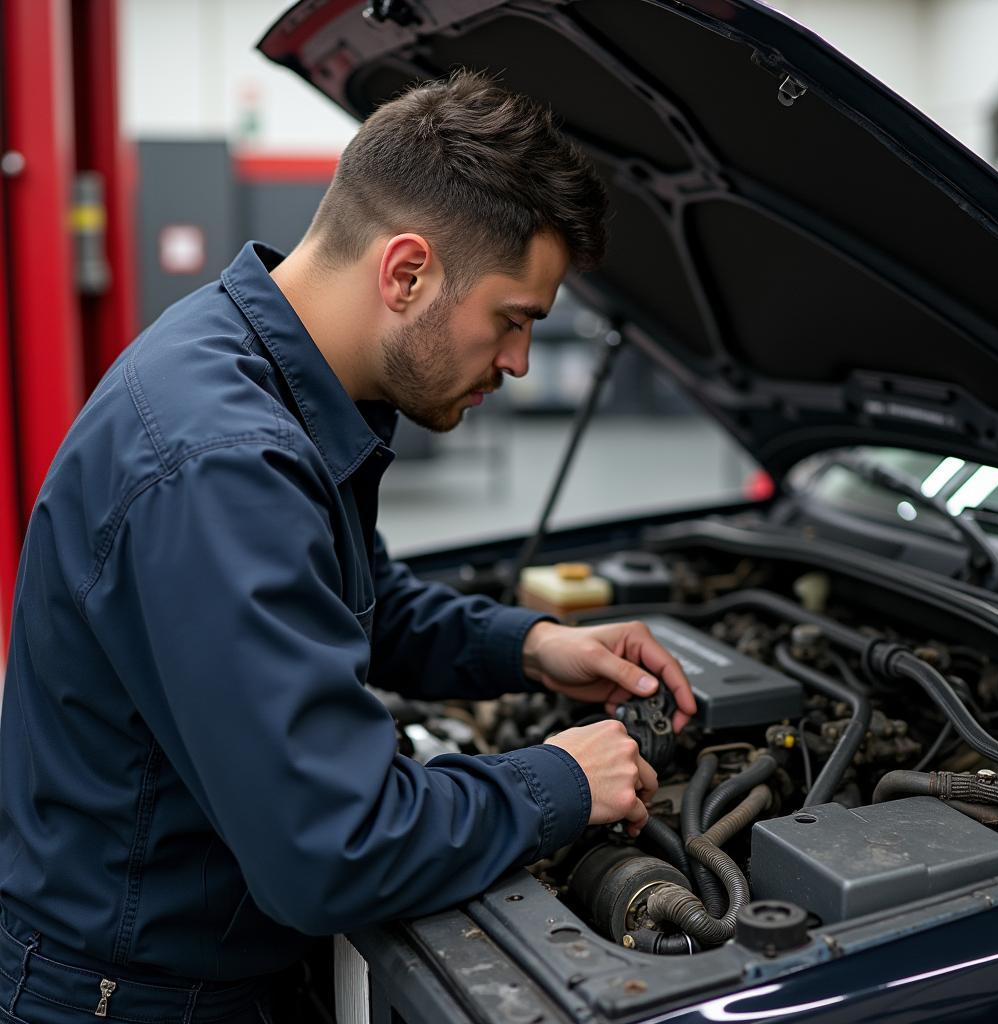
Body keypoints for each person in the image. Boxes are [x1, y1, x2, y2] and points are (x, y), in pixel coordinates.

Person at [0, 72, 695, 1023]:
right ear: (406, 272)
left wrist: (530, 647)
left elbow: (346, 594)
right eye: (514, 318)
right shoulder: (224, 460)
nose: (520, 361)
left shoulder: (256, 367)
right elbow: (335, 849)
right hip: (137, 998)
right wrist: (563, 780)